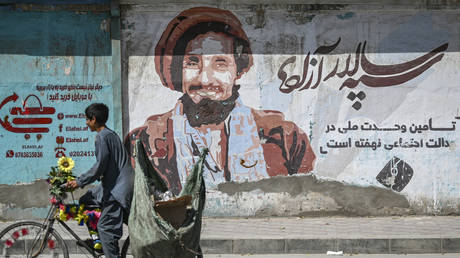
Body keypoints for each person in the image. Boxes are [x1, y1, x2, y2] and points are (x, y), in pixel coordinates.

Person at [125, 7, 316, 195]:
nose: (206, 80)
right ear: (177, 72)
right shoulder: (144, 142)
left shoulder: (285, 138)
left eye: (220, 63)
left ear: (237, 69)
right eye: (192, 62)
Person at [67, 103, 134, 258]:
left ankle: (109, 248)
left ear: (94, 119)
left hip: (117, 188)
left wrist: (79, 181)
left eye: (87, 119)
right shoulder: (111, 134)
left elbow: (100, 167)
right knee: (86, 200)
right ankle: (99, 242)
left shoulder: (101, 137)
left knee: (105, 227)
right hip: (114, 183)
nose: (85, 122)